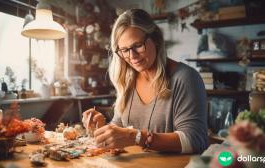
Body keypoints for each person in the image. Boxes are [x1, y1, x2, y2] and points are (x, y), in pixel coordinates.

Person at [82, 8, 208, 154]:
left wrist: (136, 137)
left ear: (155, 39)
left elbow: (195, 140)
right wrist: (102, 128)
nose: (132, 56)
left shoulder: (185, 78)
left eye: (137, 45)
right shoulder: (127, 80)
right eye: (124, 50)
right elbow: (121, 129)